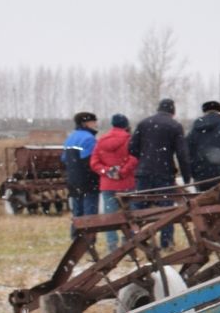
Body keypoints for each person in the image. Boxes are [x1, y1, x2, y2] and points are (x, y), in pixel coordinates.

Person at [128, 98, 192, 248]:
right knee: (167, 210)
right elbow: (182, 153)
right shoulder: (175, 126)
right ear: (173, 111)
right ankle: (166, 242)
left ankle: (135, 241)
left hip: (143, 173)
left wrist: (144, 159)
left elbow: (131, 148)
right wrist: (187, 176)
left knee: (138, 208)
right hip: (164, 173)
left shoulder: (144, 123)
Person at [89, 112, 136, 253]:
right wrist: (122, 172)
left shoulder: (101, 140)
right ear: (126, 125)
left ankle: (112, 245)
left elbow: (94, 162)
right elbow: (134, 159)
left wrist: (107, 171)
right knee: (130, 215)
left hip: (108, 184)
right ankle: (130, 242)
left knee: (110, 216)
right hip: (127, 183)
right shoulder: (130, 139)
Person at [61, 112, 100, 220]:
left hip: (73, 180)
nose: (96, 124)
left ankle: (76, 236)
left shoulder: (70, 138)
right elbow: (90, 161)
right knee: (90, 214)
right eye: (93, 121)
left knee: (77, 214)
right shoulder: (89, 139)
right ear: (85, 123)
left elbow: (64, 159)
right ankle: (89, 235)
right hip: (88, 181)